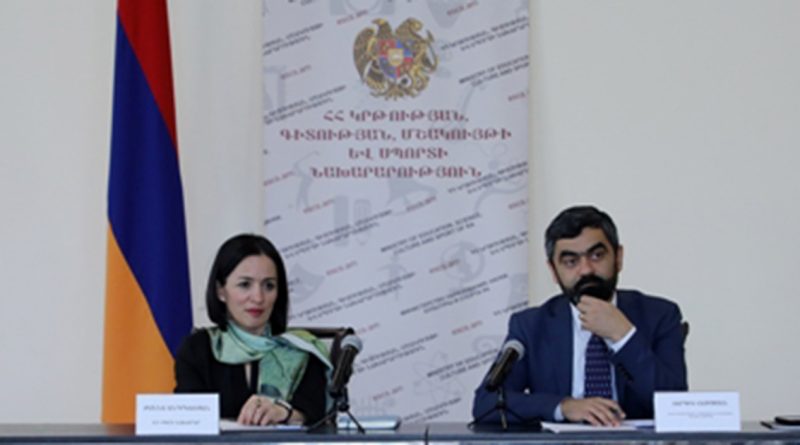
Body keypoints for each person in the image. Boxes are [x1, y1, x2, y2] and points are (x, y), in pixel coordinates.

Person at [472, 205, 687, 426]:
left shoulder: (660, 316)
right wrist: (563, 406)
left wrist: (623, 336)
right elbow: (486, 404)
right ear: (553, 270)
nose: (586, 270)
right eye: (571, 261)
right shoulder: (532, 326)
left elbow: (675, 406)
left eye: (597, 255)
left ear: (618, 257)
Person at [175, 234, 331, 425]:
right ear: (220, 291)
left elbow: (316, 415)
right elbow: (187, 420)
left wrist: (283, 412)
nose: (258, 297)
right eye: (245, 285)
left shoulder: (301, 350)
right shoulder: (197, 349)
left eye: (269, 286)